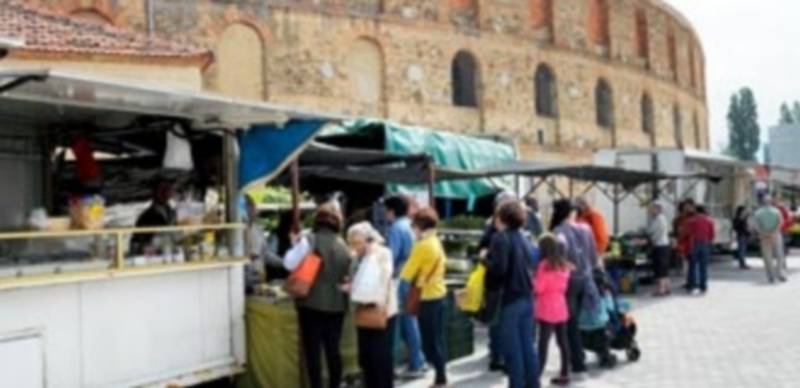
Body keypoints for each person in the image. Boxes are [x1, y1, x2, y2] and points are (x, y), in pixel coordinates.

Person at [283, 204, 353, 388]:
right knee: (333, 350)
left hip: (311, 303)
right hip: (337, 304)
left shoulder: (309, 240)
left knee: (313, 352)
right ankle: (335, 385)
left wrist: (294, 244)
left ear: (317, 220)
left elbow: (289, 263)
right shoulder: (343, 245)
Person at [485, 200, 538, 388]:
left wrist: (485, 261)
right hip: (527, 296)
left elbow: (499, 269)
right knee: (527, 346)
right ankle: (533, 383)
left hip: (510, 298)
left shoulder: (500, 238)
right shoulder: (523, 236)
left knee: (512, 349)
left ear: (502, 218)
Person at [549, 199, 602, 374]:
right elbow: (594, 258)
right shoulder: (586, 229)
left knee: (569, 323)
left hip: (568, 282)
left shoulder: (558, 232)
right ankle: (582, 355)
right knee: (579, 320)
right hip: (586, 279)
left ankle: (577, 360)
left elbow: (557, 259)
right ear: (571, 213)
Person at [400, 207, 448, 388]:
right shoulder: (436, 241)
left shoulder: (421, 245)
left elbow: (406, 273)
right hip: (440, 293)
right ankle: (441, 376)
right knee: (438, 339)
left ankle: (441, 379)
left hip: (427, 296)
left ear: (420, 225)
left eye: (414, 225)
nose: (413, 228)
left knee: (429, 342)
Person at [346, 222, 398, 388]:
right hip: (363, 311)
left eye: (359, 242)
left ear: (369, 240)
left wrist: (371, 258)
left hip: (382, 312)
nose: (356, 247)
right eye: (353, 243)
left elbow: (383, 278)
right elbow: (356, 280)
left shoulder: (383, 253)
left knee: (380, 357)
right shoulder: (356, 258)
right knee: (366, 358)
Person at [383, 195, 426, 378]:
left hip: (400, 280)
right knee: (411, 321)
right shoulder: (410, 226)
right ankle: (418, 361)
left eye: (386, 211)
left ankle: (395, 365)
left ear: (391, 211)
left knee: (398, 323)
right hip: (413, 277)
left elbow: (390, 257)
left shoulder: (395, 228)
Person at [479, 191, 517, 372]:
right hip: (504, 281)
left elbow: (483, 247)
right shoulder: (496, 225)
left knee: (498, 319)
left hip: (499, 280)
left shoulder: (496, 226)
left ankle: (498, 355)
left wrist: (485, 257)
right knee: (498, 319)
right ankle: (498, 355)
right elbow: (483, 245)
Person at [534, 234, 572, 386]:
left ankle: (536, 375)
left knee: (543, 344)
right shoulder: (564, 265)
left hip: (546, 309)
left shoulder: (544, 266)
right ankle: (565, 373)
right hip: (561, 307)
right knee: (563, 342)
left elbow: (539, 288)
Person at [131, 178, 176, 253]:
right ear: (154, 192)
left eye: (167, 189)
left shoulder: (174, 213)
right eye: (161, 189)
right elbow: (137, 242)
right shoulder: (146, 217)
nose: (165, 192)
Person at [681, 203, 714, 294]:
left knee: (692, 265)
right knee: (703, 266)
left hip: (694, 243)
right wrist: (709, 242)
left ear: (696, 211)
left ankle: (692, 285)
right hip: (705, 243)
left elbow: (686, 233)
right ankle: (703, 285)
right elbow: (712, 234)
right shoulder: (709, 221)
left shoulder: (691, 221)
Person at [752, 195, 787, 283]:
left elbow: (755, 225)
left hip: (764, 236)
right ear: (771, 202)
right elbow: (780, 222)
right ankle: (779, 273)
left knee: (767, 256)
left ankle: (771, 275)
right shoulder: (776, 211)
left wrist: (762, 232)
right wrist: (774, 231)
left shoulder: (758, 213)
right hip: (775, 235)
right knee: (779, 255)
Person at [647, 201, 672, 296]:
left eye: (653, 208)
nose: (651, 210)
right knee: (664, 268)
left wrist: (650, 240)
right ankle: (667, 287)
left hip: (660, 245)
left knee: (660, 267)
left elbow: (657, 232)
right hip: (663, 245)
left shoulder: (659, 219)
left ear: (658, 209)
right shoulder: (659, 218)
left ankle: (662, 289)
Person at [263, 211, 293, 280]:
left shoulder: (294, 237)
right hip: (277, 276)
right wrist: (284, 263)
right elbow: (269, 257)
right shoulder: (275, 236)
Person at [732, 205, 751, 270]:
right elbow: (738, 226)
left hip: (743, 234)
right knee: (742, 249)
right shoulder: (739, 219)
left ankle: (742, 262)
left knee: (743, 249)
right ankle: (742, 263)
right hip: (741, 234)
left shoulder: (742, 218)